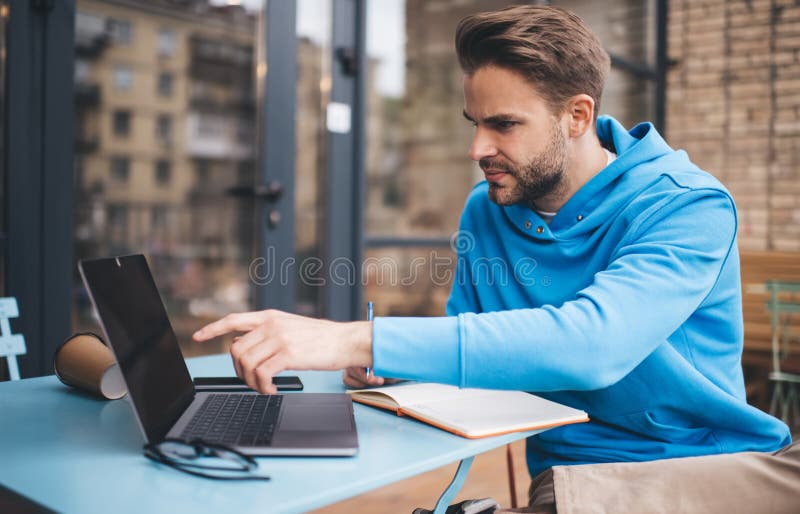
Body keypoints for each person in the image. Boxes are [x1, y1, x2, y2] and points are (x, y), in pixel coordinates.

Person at [193, 5, 798, 513]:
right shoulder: (487, 210)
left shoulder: (687, 208)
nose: (478, 148)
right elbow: (478, 341)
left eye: (504, 124)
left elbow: (593, 345)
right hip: (571, 480)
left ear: (577, 115)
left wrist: (356, 340)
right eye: (475, 123)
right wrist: (400, 368)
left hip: (707, 469)